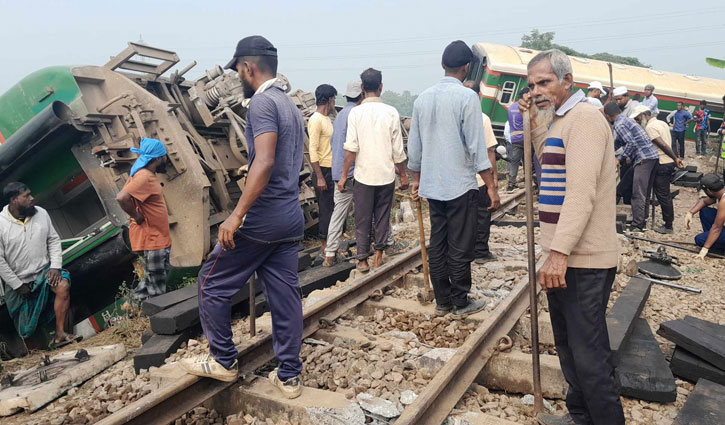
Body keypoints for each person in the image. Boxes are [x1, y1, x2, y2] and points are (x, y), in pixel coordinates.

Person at [180, 36, 305, 399]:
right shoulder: (290, 105)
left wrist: (235, 215)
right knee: (284, 295)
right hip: (289, 215)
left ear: (248, 68)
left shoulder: (263, 103)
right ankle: (289, 377)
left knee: (210, 282)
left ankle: (222, 359)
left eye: (237, 69)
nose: (237, 75)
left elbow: (263, 161)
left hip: (264, 218)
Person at [521, 49, 624, 425]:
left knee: (589, 356)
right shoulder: (560, 121)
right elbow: (545, 164)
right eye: (532, 84)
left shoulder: (584, 120)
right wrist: (533, 117)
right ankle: (580, 417)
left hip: (582, 259)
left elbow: (581, 193)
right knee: (567, 348)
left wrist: (559, 252)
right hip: (563, 256)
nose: (537, 90)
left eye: (544, 82)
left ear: (567, 80)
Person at [407, 40, 500, 319]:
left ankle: (442, 300)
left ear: (443, 65)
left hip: (433, 186)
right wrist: (492, 187)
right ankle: (460, 301)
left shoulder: (422, 98)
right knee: (460, 244)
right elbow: (477, 148)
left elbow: (415, 149)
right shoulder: (467, 98)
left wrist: (415, 181)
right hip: (459, 185)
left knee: (439, 241)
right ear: (467, 67)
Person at [338, 68, 408, 272]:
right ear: (381, 87)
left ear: (362, 88)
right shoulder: (391, 112)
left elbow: (351, 149)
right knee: (383, 217)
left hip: (363, 176)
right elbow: (398, 150)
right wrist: (403, 174)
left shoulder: (355, 113)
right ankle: (378, 256)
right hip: (386, 176)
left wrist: (343, 176)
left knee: (362, 217)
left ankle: (362, 259)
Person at [0, 182, 79, 347]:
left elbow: (53, 240)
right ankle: (37, 354)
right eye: (26, 196)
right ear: (14, 200)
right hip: (19, 281)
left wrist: (55, 266)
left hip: (44, 272)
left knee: (63, 285)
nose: (32, 198)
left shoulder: (41, 213)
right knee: (26, 327)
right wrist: (17, 285)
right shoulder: (1, 224)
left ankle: (60, 334)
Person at [116, 138, 172, 301]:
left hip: (154, 237)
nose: (166, 159)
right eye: (164, 156)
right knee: (156, 287)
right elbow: (121, 198)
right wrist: (137, 216)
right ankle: (161, 315)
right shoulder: (144, 176)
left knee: (151, 279)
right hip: (152, 237)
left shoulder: (143, 174)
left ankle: (132, 307)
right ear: (157, 158)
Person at [323, 80, 363, 267]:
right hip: (353, 173)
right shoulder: (357, 114)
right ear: (361, 96)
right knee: (371, 207)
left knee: (338, 214)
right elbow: (353, 148)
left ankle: (330, 253)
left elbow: (334, 144)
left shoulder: (339, 115)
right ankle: (383, 244)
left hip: (338, 171)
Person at [605, 102, 660, 233]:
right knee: (644, 192)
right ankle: (643, 220)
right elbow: (621, 141)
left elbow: (631, 142)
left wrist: (620, 158)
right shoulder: (625, 120)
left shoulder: (619, 124)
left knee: (638, 192)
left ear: (608, 116)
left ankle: (637, 225)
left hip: (643, 158)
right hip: (652, 157)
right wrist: (609, 149)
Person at [631, 105, 684, 234]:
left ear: (644, 115)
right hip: (667, 162)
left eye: (638, 118)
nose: (638, 121)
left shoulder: (650, 127)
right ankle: (664, 222)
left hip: (662, 162)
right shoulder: (662, 123)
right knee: (663, 194)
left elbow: (663, 144)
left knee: (662, 195)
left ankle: (668, 225)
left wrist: (675, 158)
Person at [464, 80, 500, 264]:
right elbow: (490, 151)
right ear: (478, 95)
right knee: (482, 215)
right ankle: (480, 251)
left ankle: (464, 250)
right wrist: (493, 181)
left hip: (460, 179)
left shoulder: (455, 116)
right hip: (479, 178)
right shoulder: (483, 118)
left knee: (463, 217)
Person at [308, 84, 337, 253]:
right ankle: (325, 245)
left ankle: (332, 243)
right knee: (326, 209)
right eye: (333, 98)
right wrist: (319, 176)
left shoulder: (327, 119)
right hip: (323, 170)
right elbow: (313, 149)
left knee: (333, 208)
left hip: (331, 168)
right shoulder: (316, 119)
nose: (334, 101)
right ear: (328, 100)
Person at [684, 174, 725, 256]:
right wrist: (690, 213)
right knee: (705, 211)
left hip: (719, 228)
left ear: (709, 191)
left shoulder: (724, 201)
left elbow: (717, 227)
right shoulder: (720, 192)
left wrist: (704, 249)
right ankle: (713, 240)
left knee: (699, 240)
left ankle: (715, 245)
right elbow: (704, 201)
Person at [506, 88, 531, 192]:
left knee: (514, 162)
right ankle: (529, 181)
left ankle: (511, 184)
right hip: (525, 137)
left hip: (514, 138)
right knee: (528, 161)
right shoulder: (525, 107)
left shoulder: (511, 107)